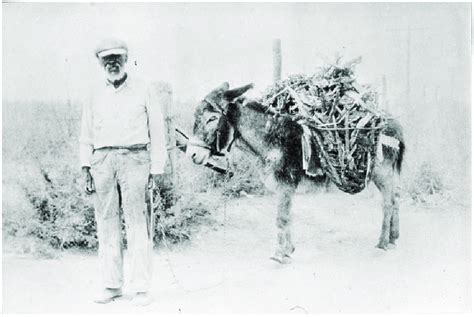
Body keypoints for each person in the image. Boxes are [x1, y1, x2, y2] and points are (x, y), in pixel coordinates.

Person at [80, 38, 171, 306]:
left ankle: (141, 288)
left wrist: (156, 168)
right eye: (106, 59)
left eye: (117, 58)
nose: (112, 63)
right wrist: (86, 167)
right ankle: (111, 286)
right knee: (106, 223)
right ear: (99, 63)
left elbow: (157, 130)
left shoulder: (144, 89)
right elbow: (86, 133)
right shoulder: (93, 93)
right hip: (103, 161)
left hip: (135, 159)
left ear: (126, 59)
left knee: (137, 222)